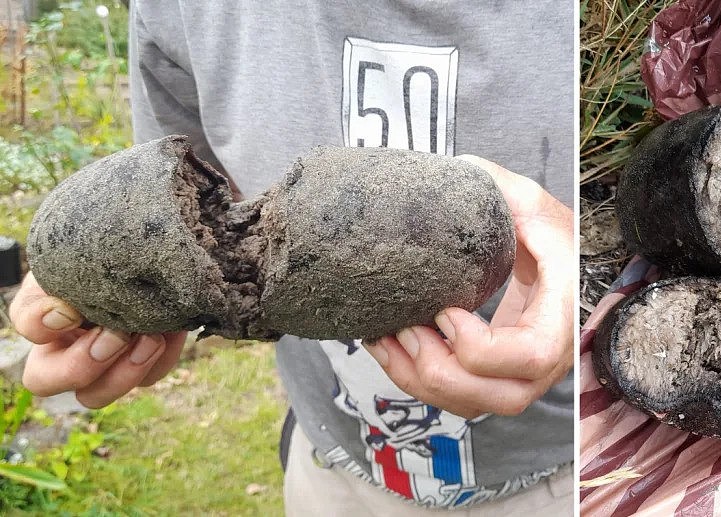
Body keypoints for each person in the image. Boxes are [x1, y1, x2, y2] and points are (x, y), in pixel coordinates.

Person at [10, 1, 576, 515]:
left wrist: (586, 263)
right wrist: (108, 267)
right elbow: (176, 204)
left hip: (564, 469)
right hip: (330, 461)